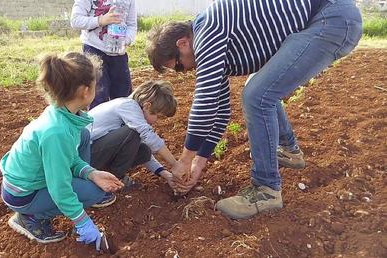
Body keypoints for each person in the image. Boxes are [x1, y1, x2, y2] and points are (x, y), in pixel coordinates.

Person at [145, 0, 362, 219]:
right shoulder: (212, 41)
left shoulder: (206, 31)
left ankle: (266, 190)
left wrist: (184, 160)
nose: (187, 70)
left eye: (180, 66)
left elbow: (205, 101)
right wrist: (197, 165)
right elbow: (220, 113)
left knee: (257, 95)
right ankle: (289, 150)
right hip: (327, 19)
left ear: (182, 43)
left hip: (330, 19)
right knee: (258, 88)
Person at [0, 52, 124, 248]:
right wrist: (82, 222)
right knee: (93, 194)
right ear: (85, 91)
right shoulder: (56, 133)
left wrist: (91, 173)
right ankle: (29, 217)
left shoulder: (63, 115)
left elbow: (70, 158)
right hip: (23, 195)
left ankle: (80, 189)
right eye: (95, 84)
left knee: (83, 137)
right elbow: (60, 188)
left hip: (35, 181)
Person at [88, 80, 178, 189]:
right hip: (84, 157)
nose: (157, 121)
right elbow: (149, 137)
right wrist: (175, 164)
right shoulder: (128, 106)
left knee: (144, 151)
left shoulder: (131, 111)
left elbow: (143, 146)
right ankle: (113, 181)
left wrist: (165, 174)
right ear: (147, 106)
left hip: (96, 153)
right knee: (133, 133)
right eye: (158, 116)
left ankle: (108, 174)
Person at [71, 0, 138, 108]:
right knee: (97, 96)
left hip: (118, 53)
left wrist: (126, 40)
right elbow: (75, 20)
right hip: (94, 51)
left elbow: (132, 25)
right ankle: (98, 123)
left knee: (124, 97)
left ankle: (122, 124)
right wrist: (101, 20)